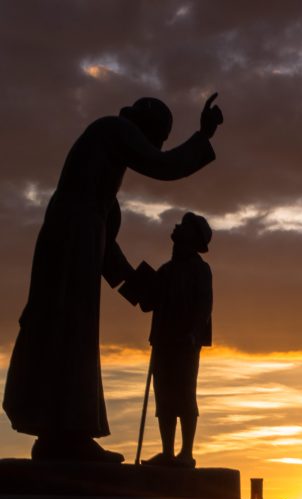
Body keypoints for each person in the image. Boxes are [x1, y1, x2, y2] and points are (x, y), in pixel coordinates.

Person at [3, 95, 223, 463]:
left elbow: (109, 257)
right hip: (70, 241)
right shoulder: (113, 130)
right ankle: (67, 434)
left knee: (70, 329)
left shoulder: (95, 194)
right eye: (157, 138)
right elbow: (163, 166)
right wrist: (202, 136)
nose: (153, 147)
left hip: (73, 240)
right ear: (146, 126)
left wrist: (144, 292)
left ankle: (62, 433)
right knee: (68, 330)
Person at [139, 212, 213, 468]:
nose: (177, 231)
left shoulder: (200, 270)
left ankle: (186, 453)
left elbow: (204, 305)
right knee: (165, 398)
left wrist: (194, 333)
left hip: (185, 343)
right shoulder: (166, 271)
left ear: (193, 239)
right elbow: (147, 303)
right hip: (163, 342)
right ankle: (167, 452)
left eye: (184, 229)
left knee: (184, 396)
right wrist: (141, 282)